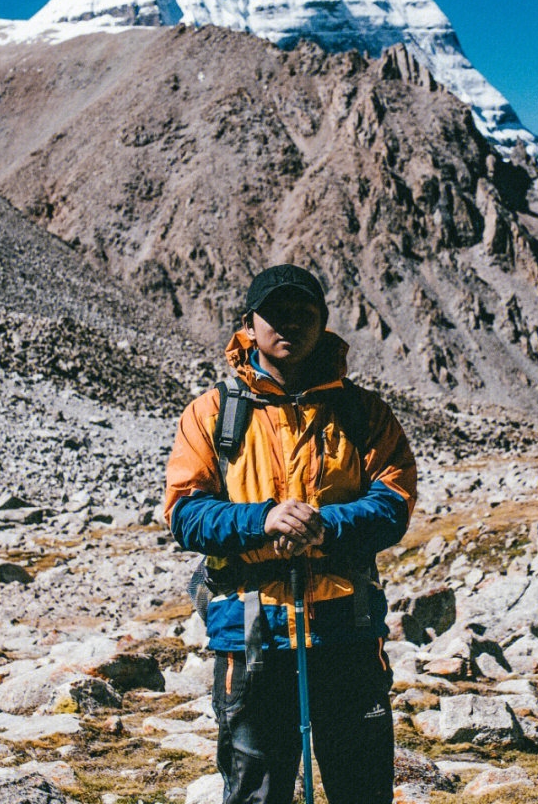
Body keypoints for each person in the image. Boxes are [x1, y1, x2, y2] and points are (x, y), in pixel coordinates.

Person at [164, 264, 417, 804]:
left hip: (345, 629)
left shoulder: (362, 413)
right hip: (252, 633)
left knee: (364, 789)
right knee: (257, 791)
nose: (290, 325)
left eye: (305, 313)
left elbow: (393, 504)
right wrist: (263, 520)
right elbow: (185, 514)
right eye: (275, 314)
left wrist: (323, 527)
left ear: (324, 324)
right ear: (249, 326)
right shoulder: (213, 414)